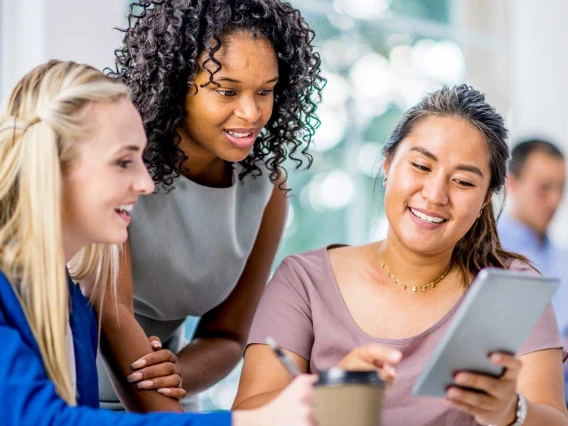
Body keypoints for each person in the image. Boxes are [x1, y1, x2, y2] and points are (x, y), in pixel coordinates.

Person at [0, 59, 317, 426]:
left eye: (265, 90)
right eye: (123, 162)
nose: (146, 184)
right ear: (54, 166)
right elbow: (38, 419)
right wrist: (251, 422)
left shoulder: (70, 305)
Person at [233, 85, 568, 425]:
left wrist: (511, 412)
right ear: (388, 163)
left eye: (464, 182)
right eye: (421, 166)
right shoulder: (303, 281)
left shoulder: (512, 289)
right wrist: (327, 398)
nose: (435, 195)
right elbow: (246, 415)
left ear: (485, 200)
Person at [92, 0, 324, 413]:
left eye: (265, 91)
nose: (252, 113)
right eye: (227, 90)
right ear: (176, 81)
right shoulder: (119, 163)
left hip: (168, 396)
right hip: (69, 398)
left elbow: (228, 337)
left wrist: (173, 376)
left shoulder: (265, 192)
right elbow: (113, 317)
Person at [498, 140, 567, 333]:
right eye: (544, 187)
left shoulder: (564, 259)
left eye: (561, 187)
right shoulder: (485, 251)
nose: (555, 200)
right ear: (512, 183)